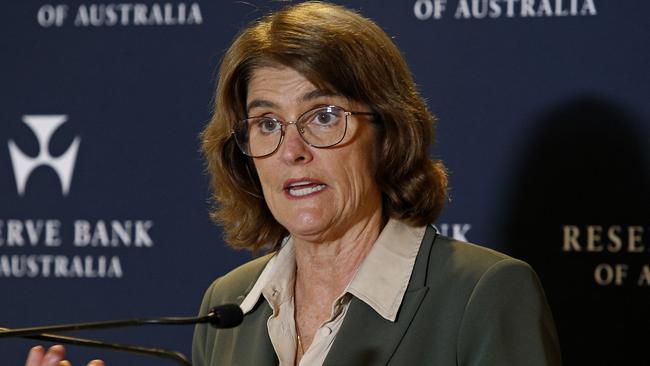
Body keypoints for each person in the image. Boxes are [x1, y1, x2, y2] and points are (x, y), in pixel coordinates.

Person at [26, 2, 561, 365]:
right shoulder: (229, 306)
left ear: (386, 130)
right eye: (267, 124)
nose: (293, 150)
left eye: (323, 116)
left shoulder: (482, 295)